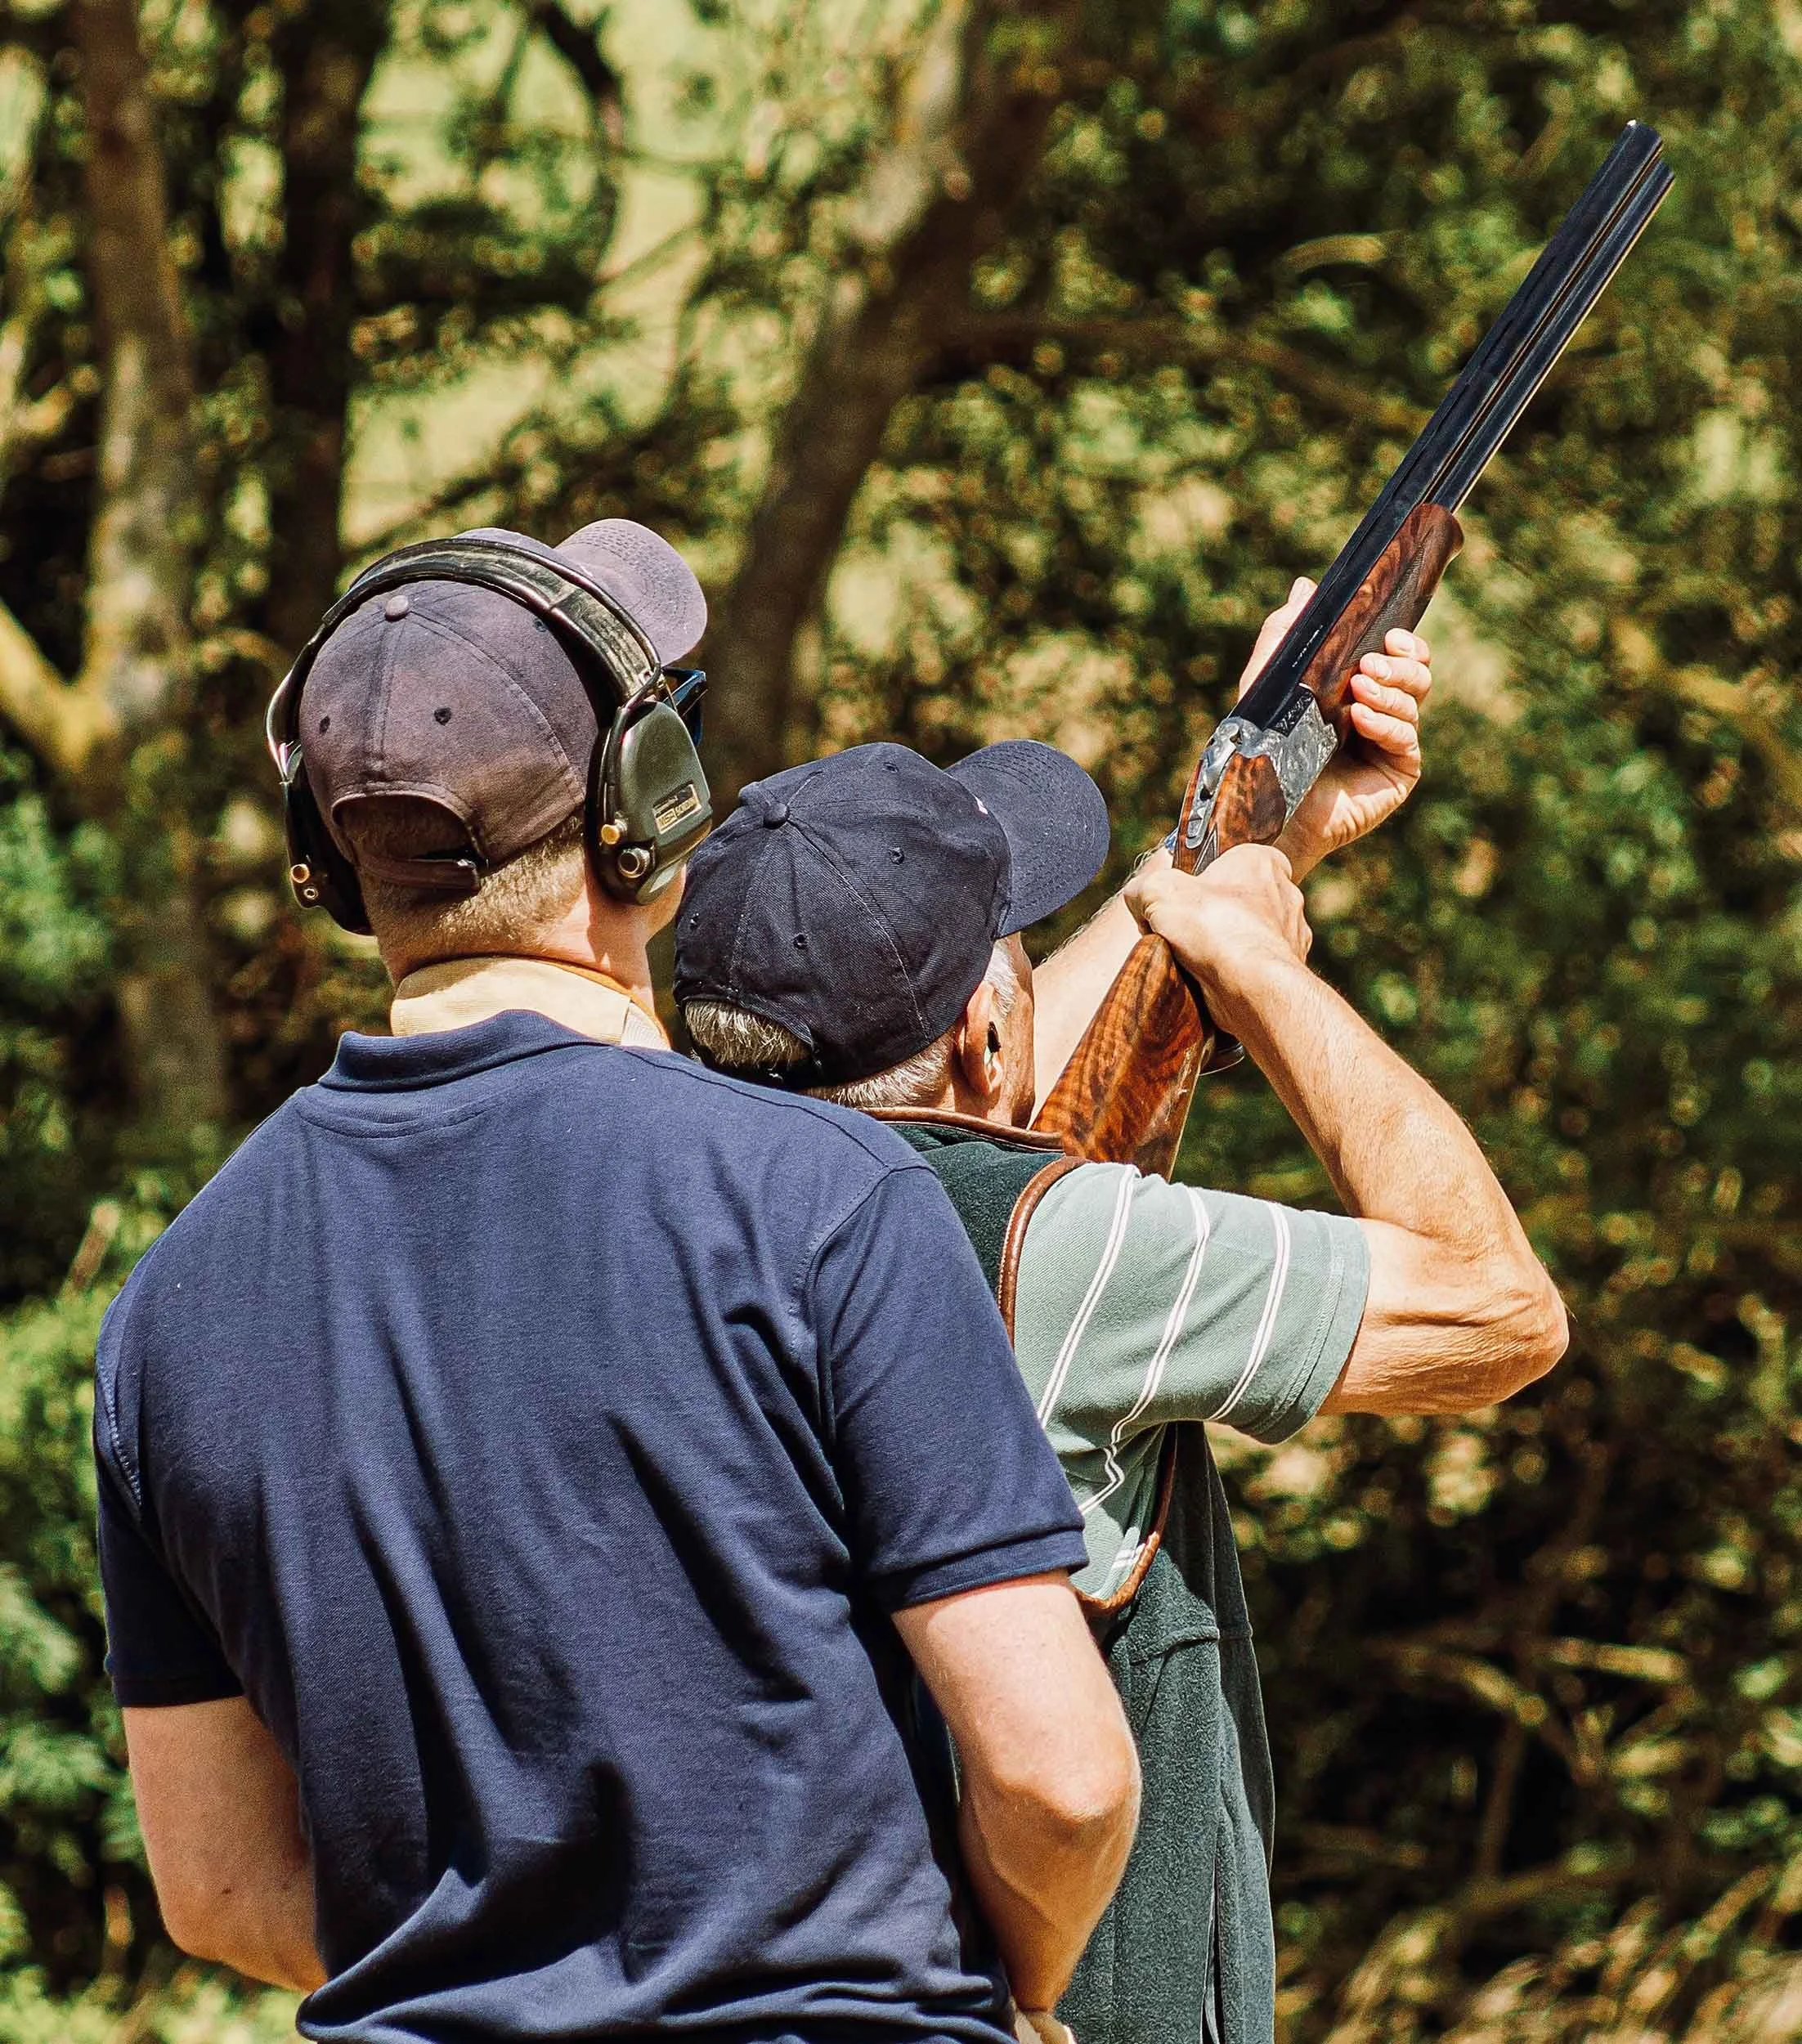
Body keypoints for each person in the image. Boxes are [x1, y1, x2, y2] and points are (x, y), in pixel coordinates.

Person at [92, 519, 1141, 2044]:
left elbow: (218, 1887)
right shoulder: (827, 1201)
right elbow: (1063, 1779)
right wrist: (1019, 1986)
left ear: (324, 859)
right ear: (646, 813)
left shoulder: (165, 1316)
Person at [675, 722, 1571, 2044]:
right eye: (1019, 948)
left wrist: (1261, 834)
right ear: (986, 1027)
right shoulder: (1067, 1251)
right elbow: (1500, 1308)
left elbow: (961, 1117)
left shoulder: (647, 1215)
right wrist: (1255, 967)